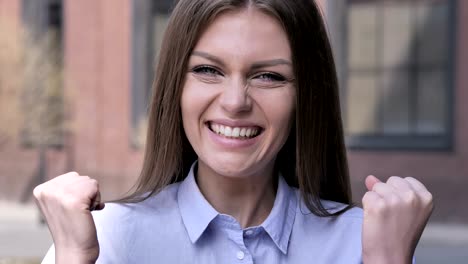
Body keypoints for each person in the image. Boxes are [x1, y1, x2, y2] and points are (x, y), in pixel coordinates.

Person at [34, 0, 434, 263]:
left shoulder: (364, 245)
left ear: (307, 97)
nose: (235, 101)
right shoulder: (102, 241)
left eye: (268, 76)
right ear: (177, 85)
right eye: (208, 70)